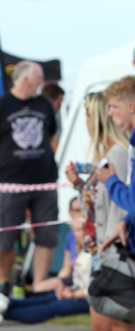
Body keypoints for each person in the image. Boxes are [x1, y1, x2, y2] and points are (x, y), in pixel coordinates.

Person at [0, 61, 59, 292]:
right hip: (12, 183)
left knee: (47, 233)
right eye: (39, 77)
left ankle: (38, 285)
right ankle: (4, 282)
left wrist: (46, 157)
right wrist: (6, 160)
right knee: (5, 235)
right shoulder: (1, 106)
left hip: (45, 181)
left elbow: (53, 135)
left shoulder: (44, 104)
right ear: (25, 78)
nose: (42, 82)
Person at [93, 76, 135, 331]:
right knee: (107, 323)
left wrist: (110, 182)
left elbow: (129, 197)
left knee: (119, 324)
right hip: (116, 241)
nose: (111, 113)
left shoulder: (121, 150)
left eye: (114, 106)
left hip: (120, 251)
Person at [0, 219, 90, 325]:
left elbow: (95, 287)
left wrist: (73, 294)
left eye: (81, 230)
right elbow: (74, 276)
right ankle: (5, 302)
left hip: (90, 298)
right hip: (78, 290)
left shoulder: (94, 254)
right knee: (48, 297)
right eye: (77, 230)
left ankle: (2, 313)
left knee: (53, 306)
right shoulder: (81, 248)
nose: (79, 234)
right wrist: (64, 287)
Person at [65, 92, 128, 258]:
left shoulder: (118, 154)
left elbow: (120, 205)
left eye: (86, 117)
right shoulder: (105, 155)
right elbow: (93, 209)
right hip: (98, 250)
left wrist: (110, 249)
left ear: (94, 119)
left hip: (110, 250)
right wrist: (80, 185)